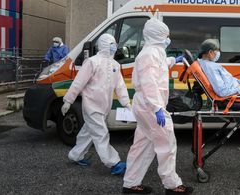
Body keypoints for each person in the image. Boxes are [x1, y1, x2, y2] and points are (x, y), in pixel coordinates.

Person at [122, 18, 193, 195]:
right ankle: (172, 186)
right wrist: (157, 108)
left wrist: (174, 60)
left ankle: (131, 184)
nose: (168, 38)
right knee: (167, 144)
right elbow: (149, 83)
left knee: (142, 145)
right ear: (159, 35)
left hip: (146, 105)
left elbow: (160, 66)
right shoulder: (149, 54)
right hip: (151, 106)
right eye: (166, 35)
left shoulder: (154, 52)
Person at [61, 34, 130, 175]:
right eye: (112, 43)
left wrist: (127, 103)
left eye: (115, 44)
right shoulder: (92, 62)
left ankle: (76, 155)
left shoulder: (115, 65)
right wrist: (68, 100)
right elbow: (78, 82)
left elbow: (120, 86)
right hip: (91, 106)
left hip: (104, 107)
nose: (115, 46)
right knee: (101, 134)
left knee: (88, 133)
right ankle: (114, 163)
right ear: (104, 44)